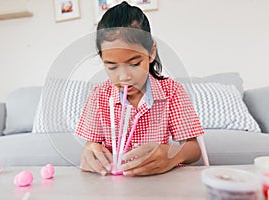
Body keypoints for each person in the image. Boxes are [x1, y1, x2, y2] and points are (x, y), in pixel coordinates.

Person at [75, 1, 204, 176]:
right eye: (112, 67)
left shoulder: (171, 91)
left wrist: (172, 155)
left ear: (151, 52)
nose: (124, 77)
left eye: (134, 64)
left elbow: (193, 148)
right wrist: (90, 150)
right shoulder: (99, 96)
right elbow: (92, 144)